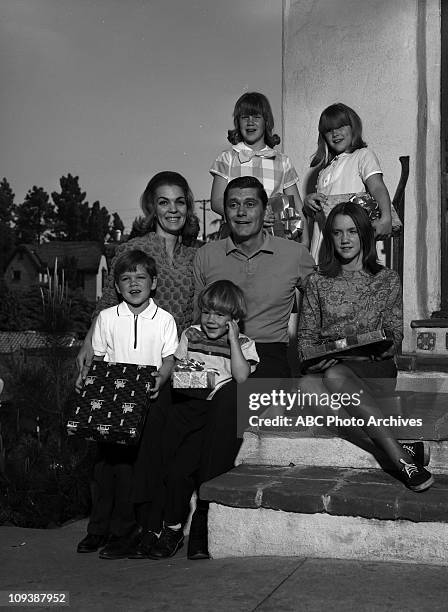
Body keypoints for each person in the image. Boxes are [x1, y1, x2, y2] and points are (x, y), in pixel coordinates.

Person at [185, 175, 315, 558]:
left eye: (250, 203)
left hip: (270, 356)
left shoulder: (294, 254)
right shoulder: (207, 255)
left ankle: (205, 519)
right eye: (233, 204)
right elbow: (198, 315)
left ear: (265, 209)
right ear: (224, 211)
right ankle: (154, 518)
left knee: (229, 402)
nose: (241, 212)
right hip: (214, 352)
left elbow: (320, 308)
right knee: (169, 409)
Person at [75, 170, 198, 555]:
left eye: (179, 201)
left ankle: (138, 527)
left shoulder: (196, 253)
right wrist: (87, 345)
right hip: (122, 365)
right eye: (164, 201)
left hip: (168, 361)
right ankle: (102, 527)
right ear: (151, 206)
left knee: (148, 453)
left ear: (188, 206)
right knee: (109, 452)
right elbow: (107, 306)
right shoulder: (136, 246)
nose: (172, 209)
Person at [298, 201, 434, 492]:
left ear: (364, 235)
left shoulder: (387, 279)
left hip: (375, 369)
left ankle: (399, 460)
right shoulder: (317, 282)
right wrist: (315, 358)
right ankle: (399, 451)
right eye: (337, 233)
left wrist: (363, 348)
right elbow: (306, 342)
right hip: (331, 369)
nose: (345, 239)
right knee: (308, 385)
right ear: (330, 237)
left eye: (352, 231)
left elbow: (393, 339)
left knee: (334, 377)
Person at [135, 280, 259, 560]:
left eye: (220, 315)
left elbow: (240, 377)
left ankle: (180, 528)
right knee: (169, 469)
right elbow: (179, 373)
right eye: (207, 312)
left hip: (212, 418)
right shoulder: (191, 334)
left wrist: (232, 341)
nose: (211, 320)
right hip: (184, 410)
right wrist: (197, 375)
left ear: (234, 319)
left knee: (192, 471)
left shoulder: (244, 344)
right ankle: (162, 527)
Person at [76, 250, 178, 559]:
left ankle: (124, 532)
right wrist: (86, 380)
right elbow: (97, 358)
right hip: (112, 403)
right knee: (105, 468)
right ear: (117, 287)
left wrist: (161, 377)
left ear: (154, 282)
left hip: (147, 400)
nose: (134, 284)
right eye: (126, 279)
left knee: (131, 470)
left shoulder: (164, 320)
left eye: (140, 277)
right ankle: (98, 529)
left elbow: (169, 358)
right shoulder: (107, 318)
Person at [304, 102, 400, 262]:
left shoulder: (363, 155)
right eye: (329, 130)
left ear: (353, 127)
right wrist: (309, 204)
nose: (335, 133)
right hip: (323, 247)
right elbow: (322, 211)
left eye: (341, 126)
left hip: (349, 244)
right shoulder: (324, 170)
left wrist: (386, 218)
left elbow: (377, 187)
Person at [210, 91, 309, 246]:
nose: (250, 122)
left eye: (256, 117)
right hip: (237, 238)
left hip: (274, 238)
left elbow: (297, 206)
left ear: (266, 122)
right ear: (238, 122)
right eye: (245, 117)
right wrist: (251, 216)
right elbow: (216, 201)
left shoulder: (282, 161)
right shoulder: (227, 158)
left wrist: (305, 241)